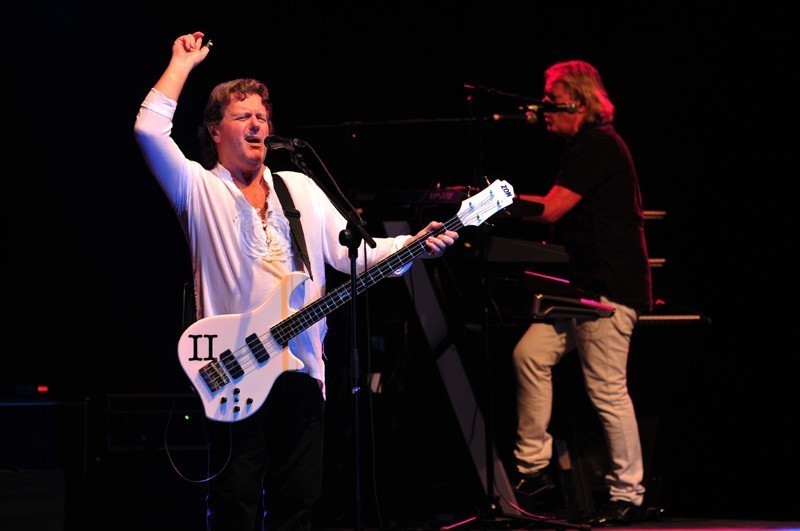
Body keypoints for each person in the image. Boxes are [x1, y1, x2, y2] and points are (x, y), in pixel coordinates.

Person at [133, 31, 458, 530]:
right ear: (215, 130)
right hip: (235, 368)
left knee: (298, 501)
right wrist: (182, 63)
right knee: (236, 501)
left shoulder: (299, 188)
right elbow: (149, 131)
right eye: (242, 116)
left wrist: (414, 243)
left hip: (303, 367)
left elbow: (356, 256)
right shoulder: (197, 189)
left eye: (262, 117)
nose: (256, 124)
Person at [510, 59, 653, 526]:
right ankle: (534, 471)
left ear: (578, 103)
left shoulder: (598, 144)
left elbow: (552, 209)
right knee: (529, 355)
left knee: (607, 390)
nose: (543, 111)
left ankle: (629, 493)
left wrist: (493, 205)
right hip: (581, 291)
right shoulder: (584, 146)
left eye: (551, 102)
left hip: (607, 292)